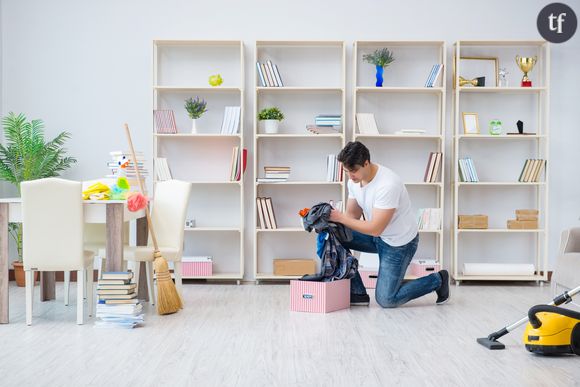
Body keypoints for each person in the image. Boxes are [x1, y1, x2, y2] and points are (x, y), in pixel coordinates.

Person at [330, 141, 449, 307]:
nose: (350, 176)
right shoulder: (354, 182)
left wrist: (341, 218)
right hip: (376, 236)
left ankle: (438, 279)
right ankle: (357, 293)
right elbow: (352, 216)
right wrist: (329, 220)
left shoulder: (387, 184)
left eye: (354, 170)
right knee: (331, 234)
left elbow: (376, 229)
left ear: (366, 163)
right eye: (347, 171)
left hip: (398, 244)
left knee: (386, 300)